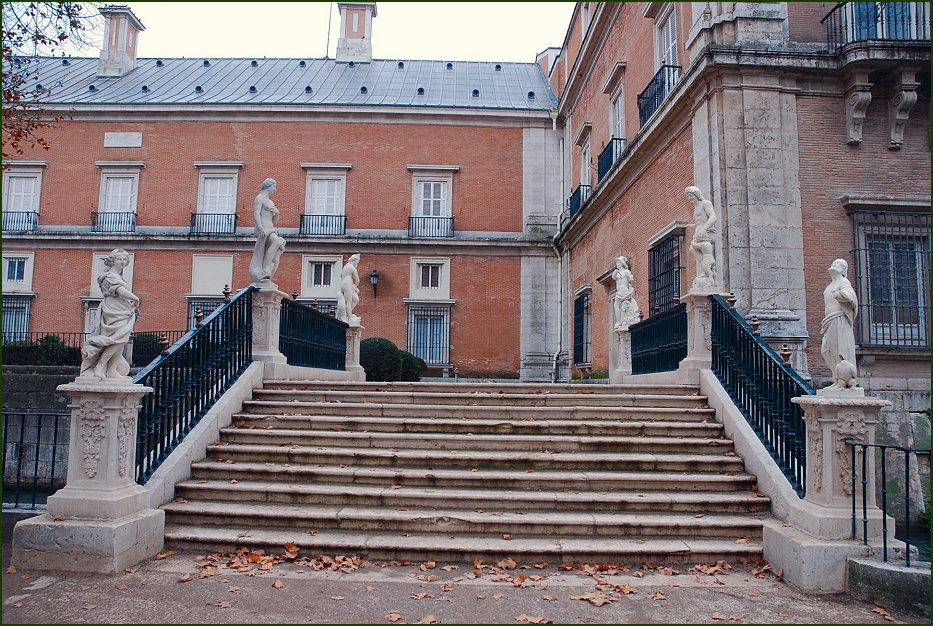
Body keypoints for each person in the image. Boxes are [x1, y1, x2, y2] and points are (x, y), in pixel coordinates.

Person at [80, 248, 139, 379]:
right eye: (119, 259)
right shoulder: (109, 277)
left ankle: (111, 370)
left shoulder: (117, 276)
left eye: (124, 259)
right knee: (116, 339)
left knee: (121, 340)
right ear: (112, 261)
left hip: (121, 309)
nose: (122, 262)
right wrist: (136, 298)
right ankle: (100, 365)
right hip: (114, 309)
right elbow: (121, 292)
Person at [820, 258, 859, 389]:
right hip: (830, 320)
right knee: (827, 350)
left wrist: (839, 294)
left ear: (843, 270)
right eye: (834, 263)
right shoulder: (830, 285)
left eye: (838, 265)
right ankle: (836, 379)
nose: (834, 266)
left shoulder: (844, 281)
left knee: (840, 350)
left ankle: (844, 381)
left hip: (839, 319)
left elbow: (850, 295)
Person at [248, 178, 286, 284]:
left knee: (279, 246)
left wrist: (277, 213)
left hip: (271, 227)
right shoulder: (259, 198)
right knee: (277, 242)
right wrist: (260, 227)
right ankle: (265, 269)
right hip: (264, 228)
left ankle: (267, 269)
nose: (275, 189)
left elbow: (274, 220)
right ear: (268, 186)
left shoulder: (270, 202)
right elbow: (256, 213)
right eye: (274, 186)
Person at [685, 186, 717, 289]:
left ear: (696, 194)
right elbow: (700, 222)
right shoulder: (695, 208)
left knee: (696, 248)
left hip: (707, 233)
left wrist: (703, 229)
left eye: (691, 196)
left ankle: (709, 271)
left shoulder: (705, 203)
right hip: (699, 235)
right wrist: (692, 227)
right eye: (688, 197)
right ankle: (707, 270)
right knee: (692, 249)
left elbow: (713, 217)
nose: (690, 199)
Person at [612, 256, 640, 329]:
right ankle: (619, 321)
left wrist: (630, 290)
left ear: (622, 263)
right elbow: (613, 277)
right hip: (619, 291)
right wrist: (616, 271)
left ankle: (624, 320)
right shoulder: (617, 272)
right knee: (616, 305)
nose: (617, 264)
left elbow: (631, 280)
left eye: (618, 262)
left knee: (625, 305)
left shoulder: (626, 272)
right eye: (617, 262)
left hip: (624, 290)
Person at [336, 254, 361, 324]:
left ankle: (347, 314)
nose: (357, 263)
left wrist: (354, 288)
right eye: (357, 262)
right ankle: (349, 318)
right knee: (349, 302)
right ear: (355, 261)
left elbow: (341, 275)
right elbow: (357, 280)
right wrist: (355, 287)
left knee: (356, 300)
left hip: (343, 285)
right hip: (347, 285)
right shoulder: (352, 268)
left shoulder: (345, 266)